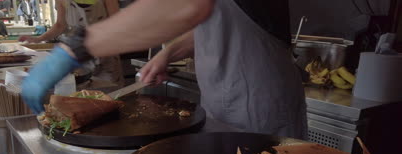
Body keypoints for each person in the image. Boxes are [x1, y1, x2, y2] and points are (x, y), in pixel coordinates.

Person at [23, 0, 307, 139]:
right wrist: (167, 54)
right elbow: (209, 25)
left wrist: (74, 49)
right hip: (221, 99)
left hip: (260, 103)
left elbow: (186, 6)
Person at [19, 0, 124, 86]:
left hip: (106, 55)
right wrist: (38, 39)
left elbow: (118, 21)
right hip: (78, 58)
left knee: (112, 95)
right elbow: (60, 25)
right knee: (81, 97)